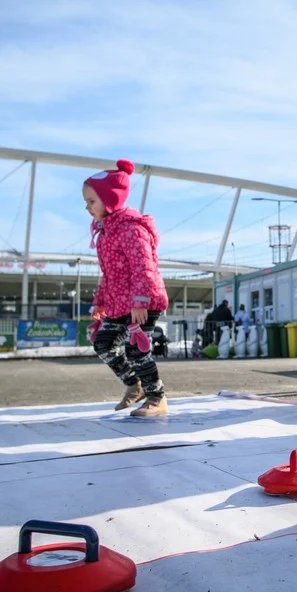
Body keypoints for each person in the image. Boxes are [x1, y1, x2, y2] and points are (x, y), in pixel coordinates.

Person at [84, 159, 171, 417]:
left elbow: (143, 266)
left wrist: (140, 302)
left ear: (110, 198)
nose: (87, 207)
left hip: (143, 302)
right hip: (119, 303)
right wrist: (100, 301)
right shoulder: (105, 233)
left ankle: (158, 397)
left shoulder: (132, 229)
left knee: (136, 350)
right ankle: (135, 386)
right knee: (103, 343)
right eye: (87, 202)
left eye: (92, 201)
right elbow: (109, 274)